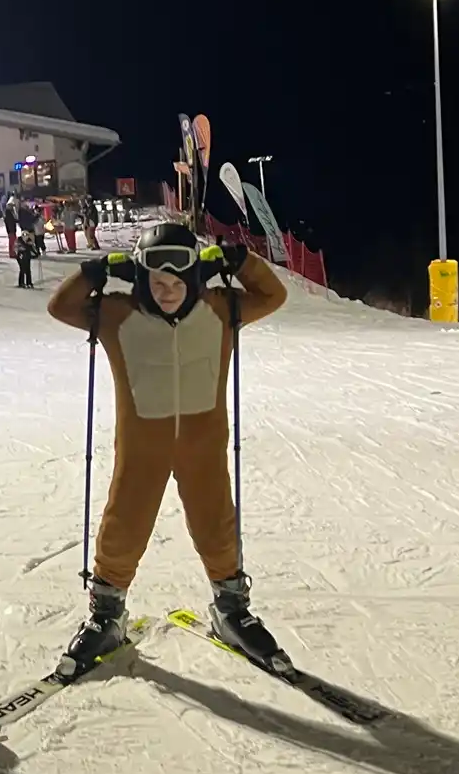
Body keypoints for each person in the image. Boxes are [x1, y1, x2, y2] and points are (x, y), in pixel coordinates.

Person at [46, 221, 290, 679]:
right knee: (125, 524)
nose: (168, 291)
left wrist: (239, 260)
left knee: (216, 523)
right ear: (142, 279)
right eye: (157, 282)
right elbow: (61, 306)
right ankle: (107, 613)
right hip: (143, 448)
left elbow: (274, 295)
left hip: (203, 444)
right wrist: (94, 272)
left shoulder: (221, 308)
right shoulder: (117, 315)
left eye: (178, 282)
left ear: (195, 278)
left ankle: (231, 608)